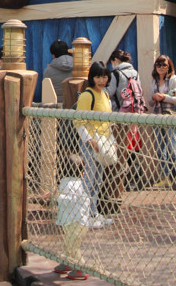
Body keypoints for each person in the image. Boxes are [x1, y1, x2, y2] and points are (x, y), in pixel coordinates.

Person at [75, 61, 114, 227]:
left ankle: (93, 212)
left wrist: (112, 141)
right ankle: (84, 215)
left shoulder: (105, 95)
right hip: (90, 143)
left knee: (98, 180)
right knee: (89, 180)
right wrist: (90, 140)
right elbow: (78, 122)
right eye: (98, 76)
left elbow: (108, 121)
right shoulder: (87, 96)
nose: (101, 80)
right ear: (92, 77)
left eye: (104, 76)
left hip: (103, 143)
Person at [53, 154, 91, 280]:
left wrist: (57, 197)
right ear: (82, 172)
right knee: (68, 243)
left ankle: (81, 268)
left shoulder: (72, 184)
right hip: (71, 220)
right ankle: (67, 261)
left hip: (77, 221)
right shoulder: (70, 182)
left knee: (73, 245)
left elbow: (72, 199)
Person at [150, 55, 176, 188]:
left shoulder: (174, 80)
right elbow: (149, 102)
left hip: (172, 117)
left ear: (169, 66)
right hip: (157, 116)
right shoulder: (154, 81)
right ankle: (165, 177)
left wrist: (164, 97)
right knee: (160, 149)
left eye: (164, 65)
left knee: (173, 148)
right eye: (158, 65)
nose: (161, 67)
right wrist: (154, 97)